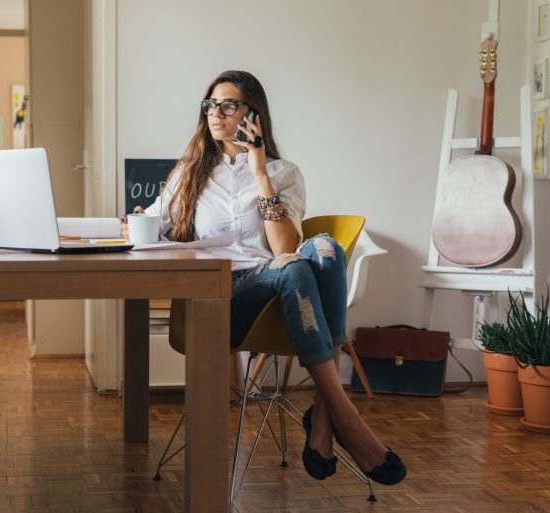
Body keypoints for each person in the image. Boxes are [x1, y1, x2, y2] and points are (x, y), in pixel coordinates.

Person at [122, 70, 405, 485]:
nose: (215, 113)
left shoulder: (283, 173)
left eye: (228, 105)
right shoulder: (191, 171)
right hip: (224, 297)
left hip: (283, 294)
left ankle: (326, 414)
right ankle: (340, 415)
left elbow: (282, 248)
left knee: (324, 249)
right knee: (298, 264)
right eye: (210, 105)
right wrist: (133, 222)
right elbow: (149, 224)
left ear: (252, 115)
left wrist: (259, 171)